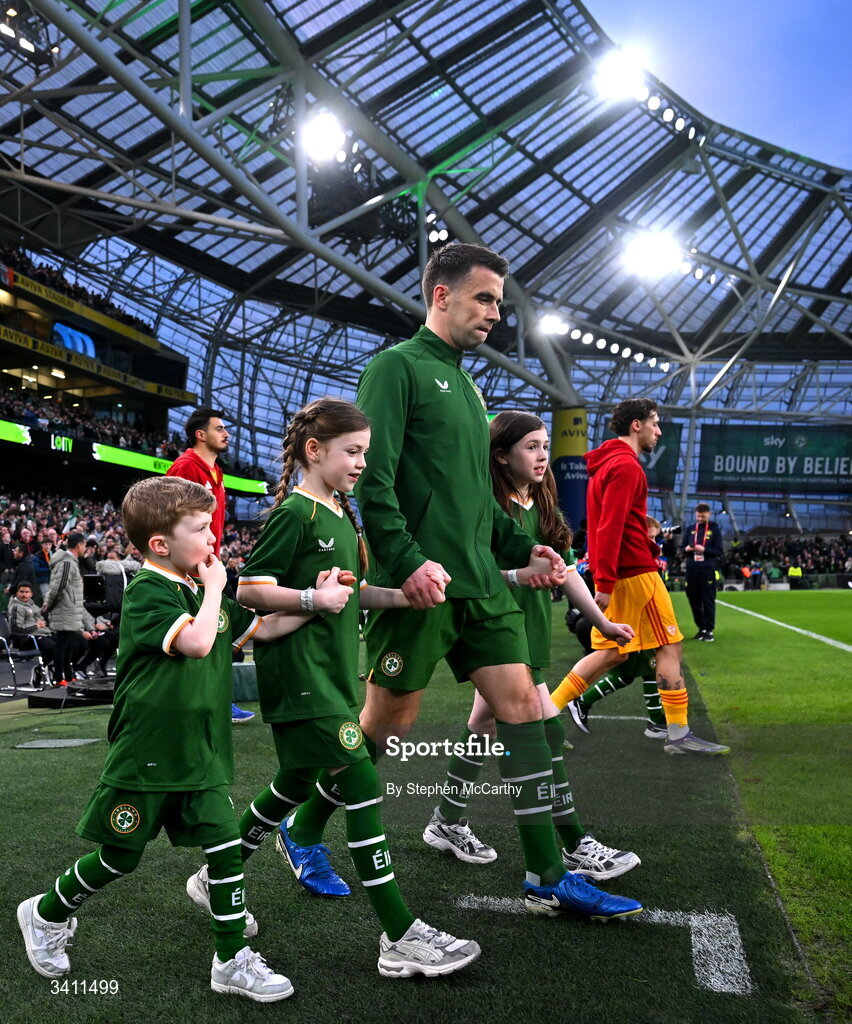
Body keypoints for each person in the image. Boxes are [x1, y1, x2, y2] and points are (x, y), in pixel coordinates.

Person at [275, 244, 642, 921]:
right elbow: (373, 481)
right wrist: (408, 560)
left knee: (524, 709)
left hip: (479, 586)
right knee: (387, 727)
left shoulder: (469, 388)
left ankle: (547, 874)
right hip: (419, 586)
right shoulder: (397, 368)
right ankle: (301, 830)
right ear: (441, 296)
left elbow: (475, 499)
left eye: (499, 302)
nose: (496, 313)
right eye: (484, 298)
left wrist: (522, 545)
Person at [17, 476, 309, 1002]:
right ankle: (46, 912)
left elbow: (261, 629)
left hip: (200, 746)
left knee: (225, 844)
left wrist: (318, 600)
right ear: (160, 544)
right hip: (149, 750)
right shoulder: (149, 590)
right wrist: (216, 588)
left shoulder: (197, 589)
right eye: (200, 529)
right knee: (120, 857)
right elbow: (197, 643)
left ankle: (230, 960)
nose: (213, 539)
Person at [227, 397, 482, 977]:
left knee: (294, 783)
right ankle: (400, 935)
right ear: (314, 450)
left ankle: (216, 875)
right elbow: (249, 589)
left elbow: (355, 592)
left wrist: (406, 597)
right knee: (361, 782)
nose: (363, 462)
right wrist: (312, 598)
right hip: (301, 678)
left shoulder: (342, 511)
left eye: (366, 452)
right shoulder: (296, 513)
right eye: (353, 451)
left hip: (333, 675)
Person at [424, 411, 641, 884]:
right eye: (531, 446)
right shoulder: (484, 505)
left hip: (530, 630)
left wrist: (602, 621)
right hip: (497, 629)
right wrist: (517, 576)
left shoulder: (543, 507)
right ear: (501, 455)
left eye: (545, 446)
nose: (543, 455)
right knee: (546, 730)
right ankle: (575, 844)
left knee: (483, 726)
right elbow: (471, 572)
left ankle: (446, 819)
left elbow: (565, 572)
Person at [550, 398, 730, 756]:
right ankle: (677, 734)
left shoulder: (607, 463)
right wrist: (604, 583)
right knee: (666, 647)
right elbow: (610, 527)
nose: (658, 431)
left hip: (625, 573)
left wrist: (605, 577)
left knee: (614, 654)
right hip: (636, 575)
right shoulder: (626, 466)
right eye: (655, 423)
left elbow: (604, 526)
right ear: (637, 425)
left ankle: (545, 717)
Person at [167, 406, 253, 724]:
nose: (226, 434)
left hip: (208, 567)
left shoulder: (216, 472)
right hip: (189, 572)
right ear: (200, 435)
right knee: (203, 637)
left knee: (220, 634)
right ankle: (206, 703)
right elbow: (167, 518)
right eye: (220, 428)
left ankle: (218, 700)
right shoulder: (185, 467)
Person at [567, 517, 669, 740]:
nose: (653, 543)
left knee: (626, 674)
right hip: (627, 621)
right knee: (648, 668)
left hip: (632, 622)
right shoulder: (624, 555)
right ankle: (656, 721)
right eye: (650, 538)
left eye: (655, 538)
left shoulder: (640, 555)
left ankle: (581, 702)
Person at [43, 532, 86, 685]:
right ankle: (59, 678)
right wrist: (49, 603)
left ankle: (68, 676)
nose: (85, 548)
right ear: (79, 545)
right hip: (64, 609)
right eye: (84, 545)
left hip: (69, 609)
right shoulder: (67, 563)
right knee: (62, 645)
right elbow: (59, 586)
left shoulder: (70, 562)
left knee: (69, 645)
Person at [682, 503, 722, 642]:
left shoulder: (714, 530)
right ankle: (701, 628)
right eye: (698, 516)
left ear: (709, 514)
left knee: (708, 600)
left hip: (707, 569)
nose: (700, 518)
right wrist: (687, 549)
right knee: (693, 600)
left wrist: (704, 550)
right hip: (692, 569)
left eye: (703, 516)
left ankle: (709, 630)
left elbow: (719, 551)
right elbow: (681, 549)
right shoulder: (690, 529)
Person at [6, 580, 54, 683]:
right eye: (21, 592)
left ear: (31, 594)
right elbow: (16, 628)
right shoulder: (16, 607)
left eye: (27, 592)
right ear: (17, 593)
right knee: (52, 648)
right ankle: (40, 670)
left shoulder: (33, 605)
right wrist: (36, 626)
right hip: (25, 639)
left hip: (40, 634)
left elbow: (41, 621)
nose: (24, 595)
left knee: (64, 645)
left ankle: (51, 671)